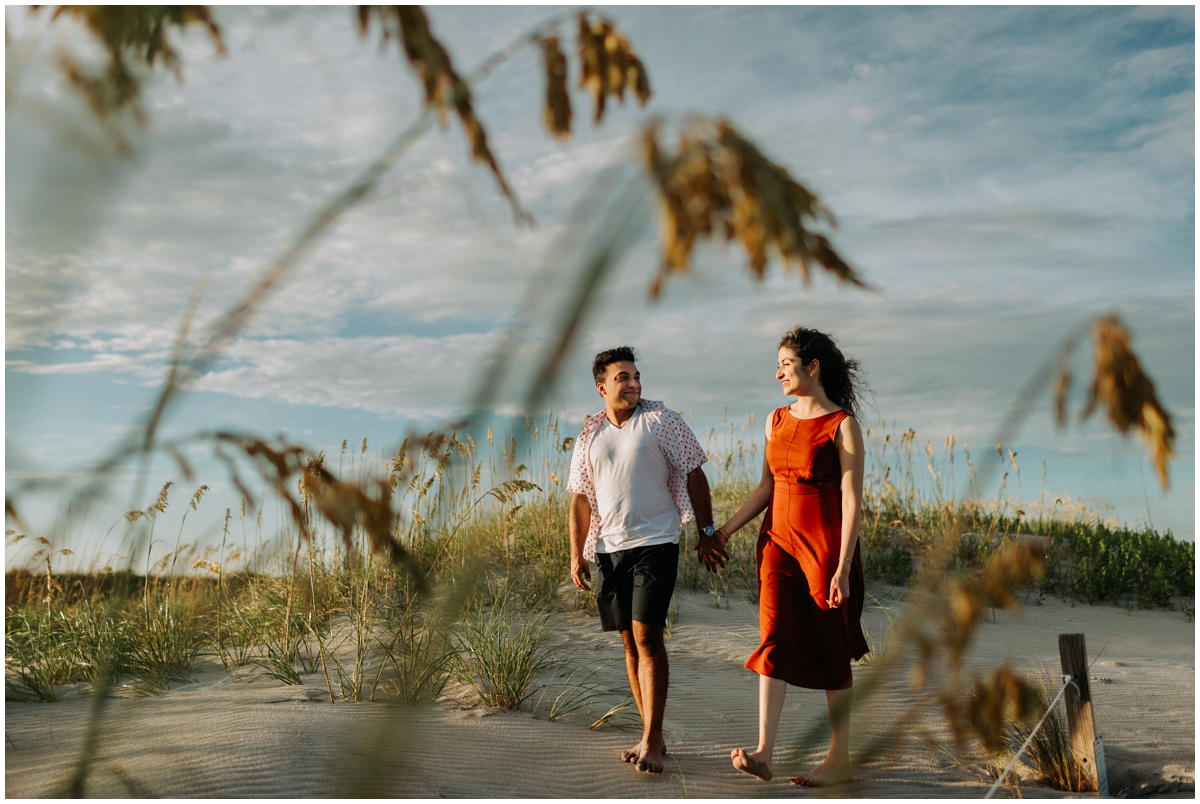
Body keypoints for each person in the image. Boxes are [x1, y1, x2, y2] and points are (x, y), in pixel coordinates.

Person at [716, 326, 869, 786]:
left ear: (812, 367)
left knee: (830, 644)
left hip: (824, 546)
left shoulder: (842, 425)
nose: (778, 372)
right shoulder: (775, 419)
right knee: (773, 635)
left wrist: (843, 566)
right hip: (777, 543)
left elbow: (852, 500)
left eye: (786, 364)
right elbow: (766, 487)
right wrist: (725, 530)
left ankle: (839, 756)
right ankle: (763, 751)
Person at [567, 346, 725, 775]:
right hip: (608, 549)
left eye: (636, 375)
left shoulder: (661, 420)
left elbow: (694, 471)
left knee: (648, 638)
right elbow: (580, 497)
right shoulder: (589, 432)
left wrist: (708, 533)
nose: (634, 383)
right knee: (628, 642)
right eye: (623, 377)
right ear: (602, 387)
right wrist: (576, 554)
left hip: (657, 541)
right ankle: (649, 733)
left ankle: (653, 741)